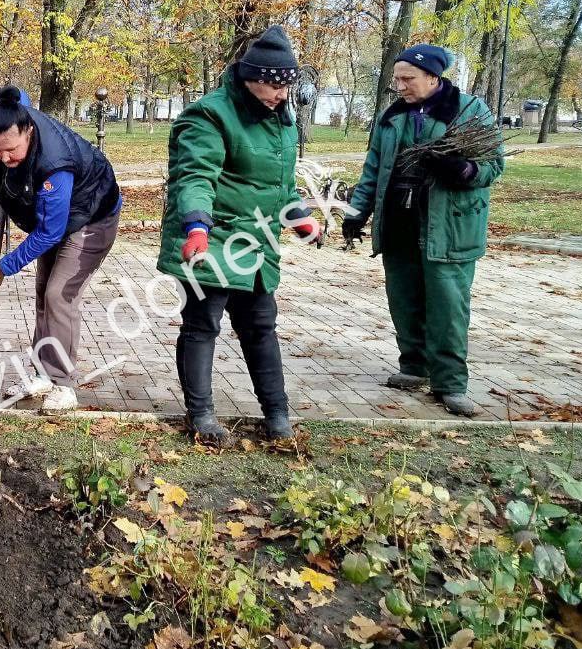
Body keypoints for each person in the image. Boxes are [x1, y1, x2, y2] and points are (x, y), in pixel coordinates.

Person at [157, 26, 323, 443]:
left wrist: (298, 216)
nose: (281, 95)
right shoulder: (209, 114)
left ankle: (278, 414)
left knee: (261, 326)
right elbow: (195, 176)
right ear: (249, 77)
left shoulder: (281, 119)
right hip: (213, 239)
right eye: (273, 85)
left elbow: (281, 184)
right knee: (201, 325)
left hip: (257, 244)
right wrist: (196, 226)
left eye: (286, 87)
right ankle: (202, 416)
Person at [342, 44, 504, 418]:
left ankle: (450, 384)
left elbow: (492, 166)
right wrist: (356, 214)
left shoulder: (467, 111)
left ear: (433, 76)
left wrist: (462, 171)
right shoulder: (392, 117)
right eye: (397, 78)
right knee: (404, 298)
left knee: (447, 306)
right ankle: (414, 367)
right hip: (399, 221)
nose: (399, 86)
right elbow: (373, 169)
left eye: (407, 78)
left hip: (447, 227)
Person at [0, 86, 121, 411]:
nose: (4, 158)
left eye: (12, 150)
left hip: (93, 218)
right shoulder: (8, 123)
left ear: (29, 131)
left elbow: (49, 232)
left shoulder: (55, 162)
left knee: (60, 295)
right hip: (62, 217)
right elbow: (20, 97)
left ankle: (64, 385)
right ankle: (44, 374)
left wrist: (5, 266)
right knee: (44, 293)